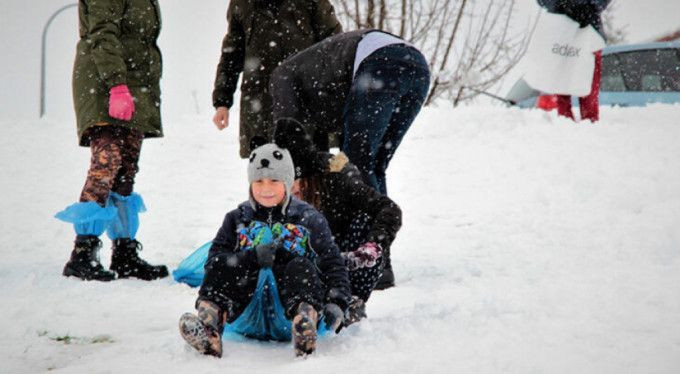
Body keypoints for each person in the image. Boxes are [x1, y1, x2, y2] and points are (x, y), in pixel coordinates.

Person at [178, 143, 351, 358]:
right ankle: (210, 327)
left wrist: (338, 302)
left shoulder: (309, 219)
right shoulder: (237, 218)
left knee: (301, 266)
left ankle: (304, 326)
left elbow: (332, 263)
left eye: (274, 180)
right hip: (245, 312)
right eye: (258, 181)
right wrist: (250, 258)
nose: (265, 188)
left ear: (287, 183)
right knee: (224, 263)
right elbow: (214, 261)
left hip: (289, 312)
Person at [55, 0, 167, 282]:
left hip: (135, 83)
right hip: (104, 83)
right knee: (107, 161)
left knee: (127, 165)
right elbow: (102, 32)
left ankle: (125, 252)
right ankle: (83, 252)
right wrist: (116, 84)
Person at [270, 29, 430, 196]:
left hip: (381, 60)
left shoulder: (281, 76)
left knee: (357, 161)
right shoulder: (317, 89)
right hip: (417, 67)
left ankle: (367, 221)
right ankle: (382, 219)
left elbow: (287, 132)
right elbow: (321, 151)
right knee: (374, 163)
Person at [276, 119, 403, 294]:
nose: (291, 189)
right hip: (304, 263)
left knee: (364, 222)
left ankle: (353, 297)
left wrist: (374, 244)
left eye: (296, 181)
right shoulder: (273, 188)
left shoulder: (339, 176)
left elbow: (389, 210)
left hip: (344, 253)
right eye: (284, 182)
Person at [211, 0, 342, 158]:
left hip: (306, 104)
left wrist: (338, 96)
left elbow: (334, 46)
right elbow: (231, 56)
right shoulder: (241, 3)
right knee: (266, 175)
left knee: (309, 175)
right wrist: (222, 102)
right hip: (260, 107)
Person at [535, 0, 612, 122]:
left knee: (589, 83)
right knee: (562, 84)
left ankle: (590, 123)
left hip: (590, 32)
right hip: (562, 32)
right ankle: (566, 123)